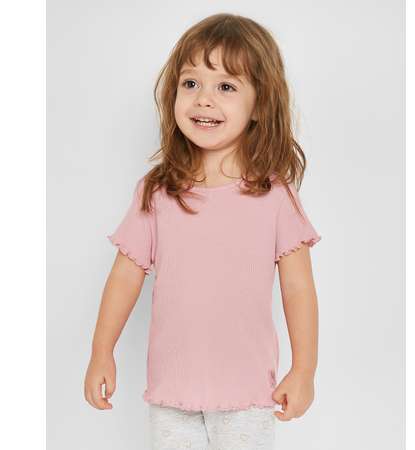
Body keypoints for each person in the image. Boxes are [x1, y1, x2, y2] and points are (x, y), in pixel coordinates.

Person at [84, 13, 322, 450]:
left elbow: (298, 288)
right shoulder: (157, 191)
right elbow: (124, 277)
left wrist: (304, 369)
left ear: (260, 105)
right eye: (191, 83)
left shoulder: (275, 195)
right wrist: (102, 351)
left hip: (247, 392)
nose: (203, 99)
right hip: (172, 390)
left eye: (226, 87)